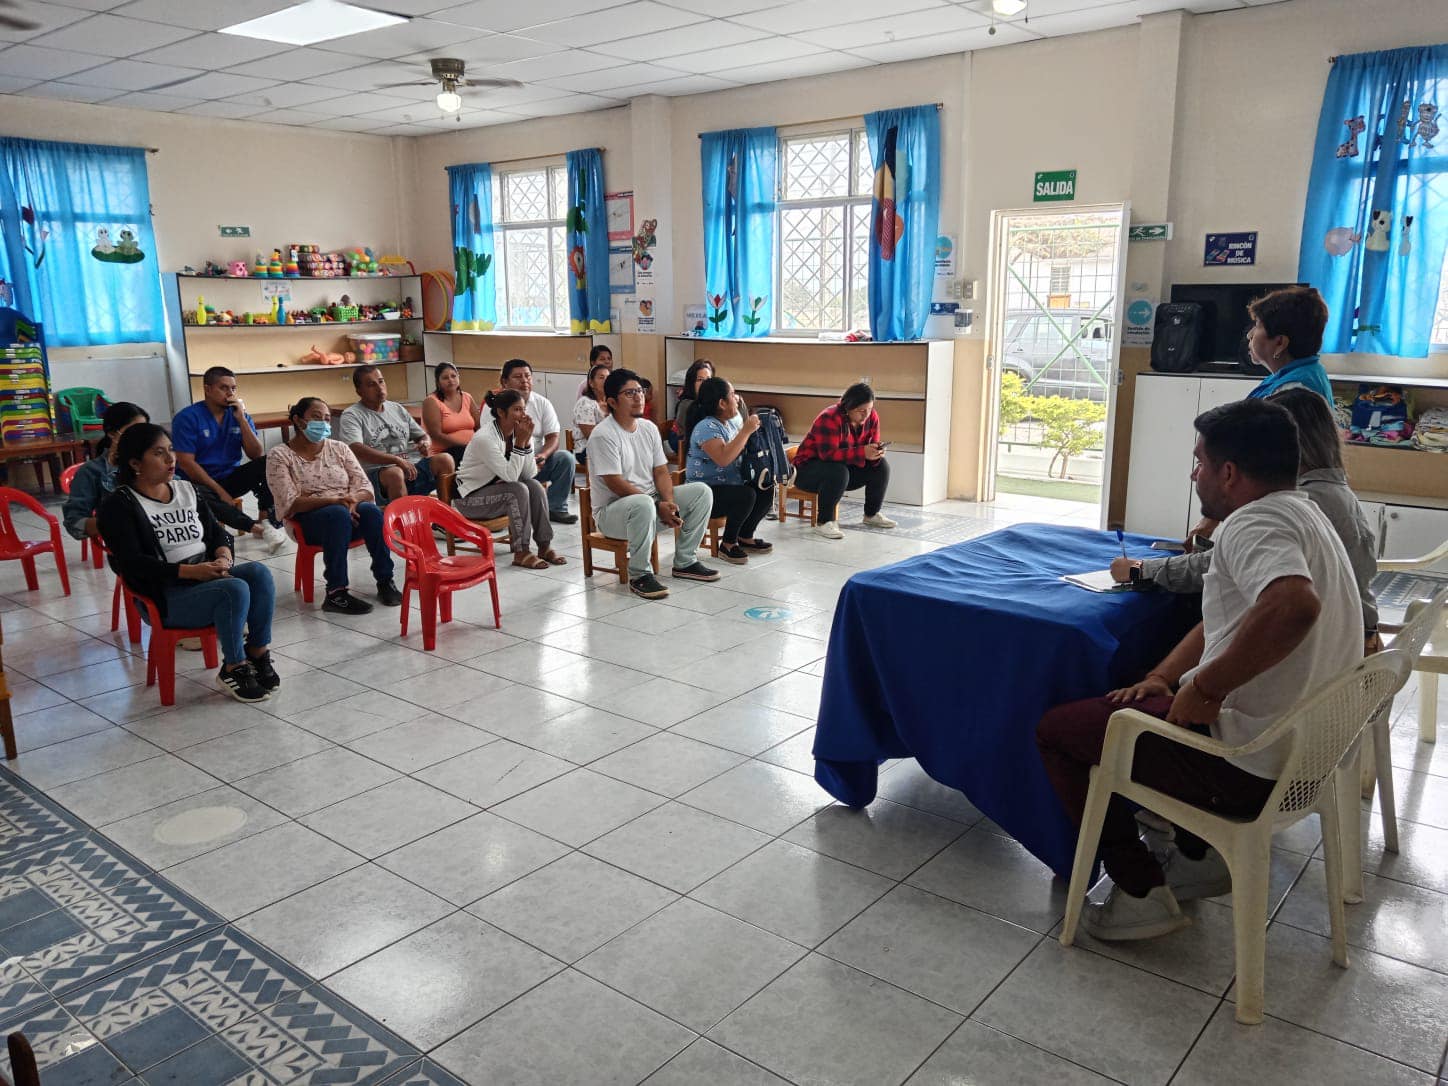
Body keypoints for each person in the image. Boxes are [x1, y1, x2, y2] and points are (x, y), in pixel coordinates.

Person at [1035, 399, 1362, 941]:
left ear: (1228, 473)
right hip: (1306, 758)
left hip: (1251, 768)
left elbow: (1292, 605)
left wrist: (1207, 687)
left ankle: (1139, 891)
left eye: (1200, 463)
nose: (1195, 475)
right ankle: (1197, 858)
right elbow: (1227, 619)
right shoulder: (1305, 513)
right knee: (1139, 700)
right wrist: (1164, 677)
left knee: (1059, 732)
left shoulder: (1253, 522)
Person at [1112, 388, 1380, 652]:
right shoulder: (1330, 493)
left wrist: (1140, 570)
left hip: (1330, 645)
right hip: (1350, 637)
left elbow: (1291, 601)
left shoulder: (1286, 508)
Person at [98, 423, 278, 703]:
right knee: (235, 589)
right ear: (135, 463)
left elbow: (217, 532)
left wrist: (223, 556)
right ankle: (234, 667)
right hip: (164, 595)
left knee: (258, 573)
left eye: (171, 450)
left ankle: (257, 653)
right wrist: (190, 572)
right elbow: (132, 565)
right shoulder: (119, 505)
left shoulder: (186, 490)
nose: (170, 459)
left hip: (205, 578)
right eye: (158, 453)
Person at [587, 368, 718, 599]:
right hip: (613, 513)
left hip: (650, 504)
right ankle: (639, 575)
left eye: (640, 390)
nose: (638, 397)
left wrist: (669, 503)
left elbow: (660, 471)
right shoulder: (603, 435)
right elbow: (614, 483)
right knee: (643, 503)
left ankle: (685, 561)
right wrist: (657, 505)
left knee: (701, 492)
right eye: (629, 393)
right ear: (612, 402)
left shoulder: (648, 428)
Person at [266, 397, 401, 615]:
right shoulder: (279, 455)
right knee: (336, 514)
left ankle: (385, 580)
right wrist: (334, 501)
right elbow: (291, 502)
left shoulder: (339, 448)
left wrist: (351, 500)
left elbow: (365, 487)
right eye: (316, 417)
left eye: (327, 418)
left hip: (349, 512)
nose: (323, 423)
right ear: (298, 420)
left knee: (371, 511)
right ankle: (336, 593)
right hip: (308, 522)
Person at [171, 367, 287, 551]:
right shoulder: (187, 418)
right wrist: (220, 491)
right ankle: (256, 528)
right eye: (224, 388)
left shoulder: (238, 415)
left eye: (233, 388)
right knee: (201, 494)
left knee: (271, 461)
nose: (230, 393)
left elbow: (256, 454)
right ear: (207, 389)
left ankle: (266, 521)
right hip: (196, 482)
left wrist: (241, 420)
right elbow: (186, 463)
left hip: (229, 477)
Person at [454, 389, 566, 570]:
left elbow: (529, 474)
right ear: (501, 412)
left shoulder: (518, 433)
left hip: (496, 492)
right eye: (517, 410)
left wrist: (526, 442)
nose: (523, 415)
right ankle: (521, 552)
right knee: (517, 490)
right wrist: (521, 443)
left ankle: (544, 546)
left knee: (534, 486)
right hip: (469, 501)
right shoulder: (485, 438)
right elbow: (512, 477)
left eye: (524, 409)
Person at [793, 382, 897, 540]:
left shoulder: (872, 417)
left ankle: (871, 514)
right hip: (807, 471)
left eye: (869, 409)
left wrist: (877, 451)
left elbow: (872, 445)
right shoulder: (829, 417)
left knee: (881, 466)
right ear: (848, 407)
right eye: (861, 411)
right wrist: (862, 452)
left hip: (842, 471)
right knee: (837, 472)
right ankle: (824, 522)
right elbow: (827, 455)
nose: (866, 415)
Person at [685, 377, 773, 564]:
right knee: (745, 495)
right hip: (704, 493)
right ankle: (728, 544)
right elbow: (723, 458)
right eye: (732, 395)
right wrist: (746, 431)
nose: (737, 398)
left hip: (728, 485)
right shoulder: (706, 427)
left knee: (765, 487)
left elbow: (741, 441)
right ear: (722, 403)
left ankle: (745, 536)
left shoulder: (730, 422)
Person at [339, 364, 452, 504]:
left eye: (381, 381)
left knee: (445, 459)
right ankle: (402, 517)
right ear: (359, 391)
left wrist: (425, 443)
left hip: (411, 467)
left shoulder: (397, 408)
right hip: (377, 475)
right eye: (371, 385)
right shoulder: (352, 415)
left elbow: (421, 436)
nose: (379, 388)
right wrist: (396, 460)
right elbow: (355, 448)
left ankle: (446, 512)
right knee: (395, 473)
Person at [501, 358, 577, 525]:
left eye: (528, 376)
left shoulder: (542, 403)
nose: (524, 381)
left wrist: (543, 455)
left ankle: (555, 508)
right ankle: (506, 510)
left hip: (536, 462)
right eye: (518, 377)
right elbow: (495, 444)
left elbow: (553, 437)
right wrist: (522, 458)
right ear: (504, 382)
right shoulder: (496, 407)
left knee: (565, 458)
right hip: (507, 464)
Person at [63, 401, 149, 545]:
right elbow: (75, 522)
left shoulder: (154, 462)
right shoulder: (92, 471)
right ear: (112, 433)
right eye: (133, 431)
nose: (141, 438)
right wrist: (119, 523)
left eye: (145, 431)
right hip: (129, 544)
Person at [1244, 286, 1334, 404]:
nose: (1249, 335)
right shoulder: (1303, 372)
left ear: (1280, 343)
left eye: (1257, 325)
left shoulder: (1293, 392)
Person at [420, 362, 480, 467]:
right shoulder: (431, 401)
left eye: (453, 376)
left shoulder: (467, 397)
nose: (451, 380)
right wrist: (466, 446)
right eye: (445, 378)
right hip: (445, 453)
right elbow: (436, 435)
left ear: (458, 377)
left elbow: (479, 426)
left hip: (470, 449)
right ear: (438, 382)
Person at [670, 359, 714, 454]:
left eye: (708, 379)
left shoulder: (709, 400)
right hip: (681, 441)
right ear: (691, 382)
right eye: (700, 380)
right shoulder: (687, 404)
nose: (705, 383)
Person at [571, 362, 610, 466]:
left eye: (608, 378)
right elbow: (592, 436)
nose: (606, 381)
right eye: (601, 378)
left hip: (609, 446)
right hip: (586, 450)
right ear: (591, 383)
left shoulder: (612, 402)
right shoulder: (585, 403)